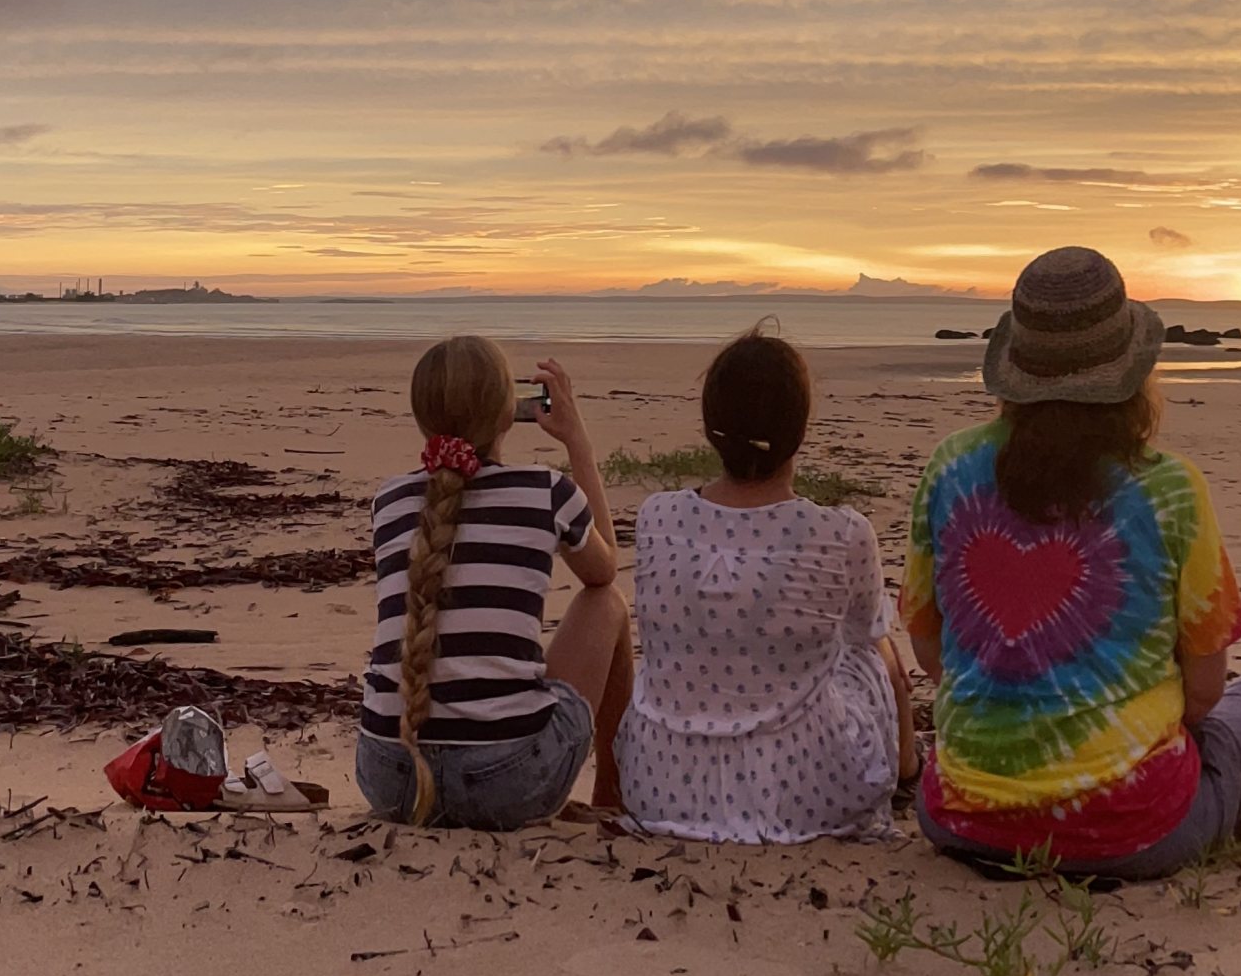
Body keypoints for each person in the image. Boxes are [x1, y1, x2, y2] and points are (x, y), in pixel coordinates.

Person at [903, 246, 1241, 878]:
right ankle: (1205, 834)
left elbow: (931, 653)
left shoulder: (950, 467)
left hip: (959, 820)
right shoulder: (1169, 489)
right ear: (1131, 373)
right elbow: (1205, 692)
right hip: (1131, 836)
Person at [615, 324, 910, 843]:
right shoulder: (842, 532)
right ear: (799, 430)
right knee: (871, 647)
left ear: (711, 428)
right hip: (806, 790)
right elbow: (866, 635)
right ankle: (906, 763)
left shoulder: (656, 517)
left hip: (661, 782)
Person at [357, 335, 629, 828]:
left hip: (390, 778)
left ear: (422, 416)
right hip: (505, 783)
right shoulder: (546, 491)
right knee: (608, 602)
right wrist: (577, 441)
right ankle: (615, 791)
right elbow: (604, 570)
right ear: (509, 411)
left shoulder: (389, 500)